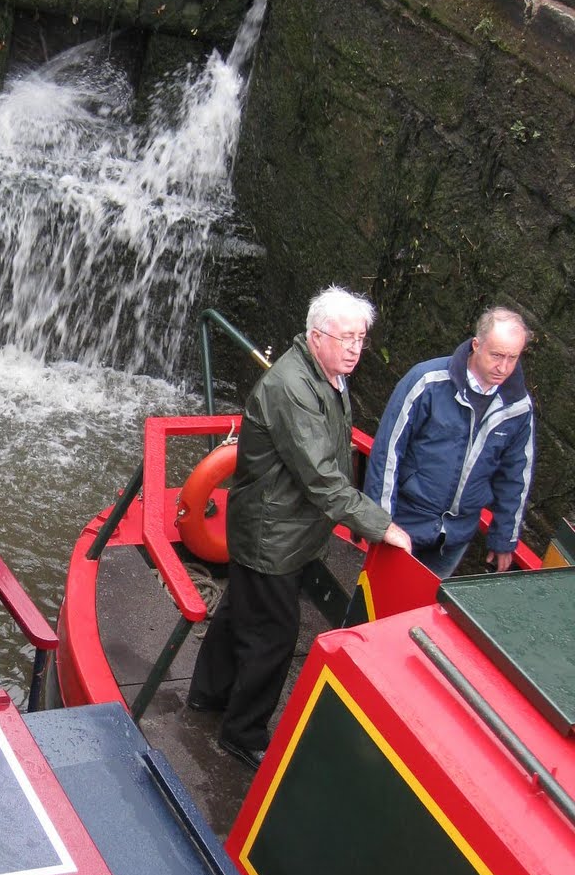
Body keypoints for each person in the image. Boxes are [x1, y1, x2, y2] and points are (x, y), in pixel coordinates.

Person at [186, 287, 413, 769]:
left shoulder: (326, 375)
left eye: (361, 338)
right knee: (274, 634)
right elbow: (321, 476)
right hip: (272, 535)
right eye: (346, 337)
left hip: (278, 526)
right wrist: (379, 525)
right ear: (315, 336)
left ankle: (207, 694)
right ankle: (242, 733)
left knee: (237, 613)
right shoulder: (292, 387)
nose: (355, 348)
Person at [364, 307, 534, 578]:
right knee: (373, 607)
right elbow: (387, 452)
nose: (504, 367)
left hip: (455, 536)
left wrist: (504, 539)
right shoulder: (427, 381)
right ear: (476, 346)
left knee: (420, 614)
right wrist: (380, 522)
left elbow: (515, 477)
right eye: (497, 356)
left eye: (513, 358)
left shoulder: (518, 407)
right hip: (405, 522)